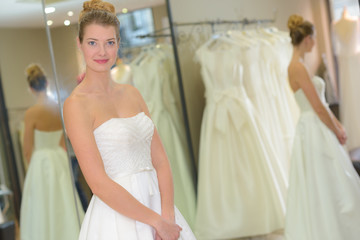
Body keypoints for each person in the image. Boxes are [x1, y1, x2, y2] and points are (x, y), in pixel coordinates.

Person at [62, 1, 196, 239]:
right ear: (79, 44)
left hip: (160, 208)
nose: (102, 52)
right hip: (117, 217)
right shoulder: (75, 105)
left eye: (109, 43)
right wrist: (155, 221)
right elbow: (98, 183)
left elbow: (161, 161)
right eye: (93, 43)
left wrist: (167, 217)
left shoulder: (132, 93)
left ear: (118, 45)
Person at [285, 14, 360, 240]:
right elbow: (318, 107)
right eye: (314, 38)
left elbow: (321, 104)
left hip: (316, 124)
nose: (315, 42)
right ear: (307, 39)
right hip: (314, 127)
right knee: (324, 179)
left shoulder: (300, 65)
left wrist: (338, 124)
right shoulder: (297, 67)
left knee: (328, 177)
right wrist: (337, 130)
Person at [20, 64, 83, 240]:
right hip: (59, 158)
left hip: (40, 162)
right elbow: (64, 139)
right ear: (47, 83)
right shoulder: (58, 108)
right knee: (65, 203)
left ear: (31, 89)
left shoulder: (31, 113)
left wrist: (31, 172)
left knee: (43, 208)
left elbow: (27, 149)